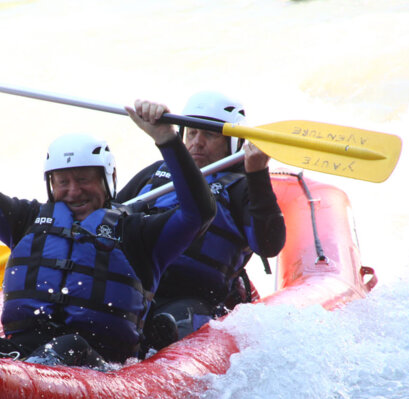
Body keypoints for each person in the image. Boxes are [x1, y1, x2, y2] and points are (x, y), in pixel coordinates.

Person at [0, 58, 216, 368]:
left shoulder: (139, 234)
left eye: (83, 180)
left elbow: (198, 213)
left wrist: (168, 139)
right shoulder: (25, 220)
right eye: (62, 182)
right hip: (22, 358)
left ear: (107, 181)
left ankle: (23, 378)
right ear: (50, 184)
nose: (73, 191)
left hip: (95, 366)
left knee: (68, 346)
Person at [115, 90, 286, 351]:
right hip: (136, 287)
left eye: (209, 134)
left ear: (233, 142)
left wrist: (258, 173)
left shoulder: (242, 187)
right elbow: (106, 217)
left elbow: (269, 245)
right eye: (192, 133)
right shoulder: (155, 174)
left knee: (165, 326)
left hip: (192, 299)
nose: (197, 143)